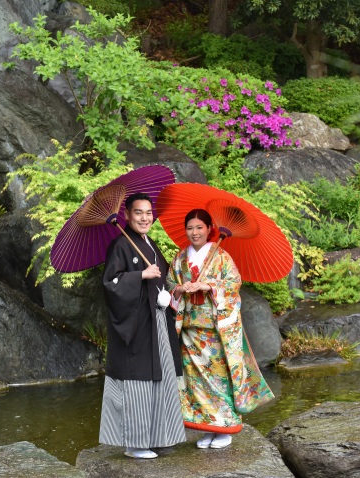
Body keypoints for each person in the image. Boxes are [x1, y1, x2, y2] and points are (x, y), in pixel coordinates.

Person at [168, 209, 274, 449]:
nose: (194, 233)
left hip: (214, 331)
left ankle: (224, 428)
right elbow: (170, 283)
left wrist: (209, 286)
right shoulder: (179, 258)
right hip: (189, 331)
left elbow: (234, 283)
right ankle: (208, 428)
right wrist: (180, 289)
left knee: (218, 378)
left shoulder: (222, 257)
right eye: (190, 228)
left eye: (199, 228)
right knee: (195, 382)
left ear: (209, 229)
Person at [99, 192, 186, 459]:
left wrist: (171, 293)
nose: (145, 218)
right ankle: (134, 444)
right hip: (135, 326)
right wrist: (139, 275)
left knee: (160, 376)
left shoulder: (150, 244)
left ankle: (157, 436)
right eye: (139, 212)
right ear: (127, 215)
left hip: (157, 320)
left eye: (149, 213)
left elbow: (160, 282)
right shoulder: (121, 245)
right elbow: (110, 284)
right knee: (136, 381)